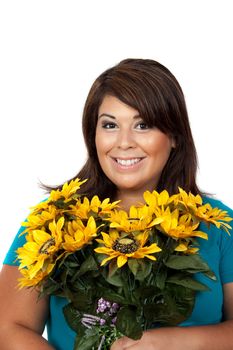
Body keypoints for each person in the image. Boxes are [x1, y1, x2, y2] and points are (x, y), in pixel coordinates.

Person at [0, 58, 233, 350]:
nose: (124, 142)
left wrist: (168, 342)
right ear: (92, 135)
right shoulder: (54, 221)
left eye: (143, 125)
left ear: (174, 136)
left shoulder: (219, 225)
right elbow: (10, 327)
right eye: (110, 125)